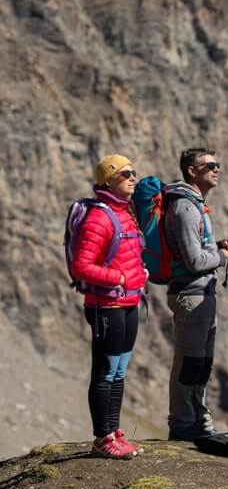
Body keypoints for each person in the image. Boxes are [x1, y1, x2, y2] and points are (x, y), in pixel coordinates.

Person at [71, 154, 148, 459]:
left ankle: (115, 431)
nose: (132, 177)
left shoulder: (125, 213)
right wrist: (117, 276)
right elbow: (81, 265)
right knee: (105, 372)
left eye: (133, 172)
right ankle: (102, 437)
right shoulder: (99, 217)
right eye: (125, 174)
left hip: (129, 302)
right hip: (107, 306)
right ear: (108, 181)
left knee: (119, 372)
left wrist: (139, 274)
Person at [163, 147, 228, 441]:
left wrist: (217, 245)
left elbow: (197, 250)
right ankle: (183, 423)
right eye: (210, 165)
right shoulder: (184, 206)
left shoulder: (194, 204)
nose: (217, 169)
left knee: (202, 360)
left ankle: (197, 419)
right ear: (192, 170)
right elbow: (195, 261)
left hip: (202, 293)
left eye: (218, 164)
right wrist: (221, 255)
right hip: (190, 293)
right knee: (190, 360)